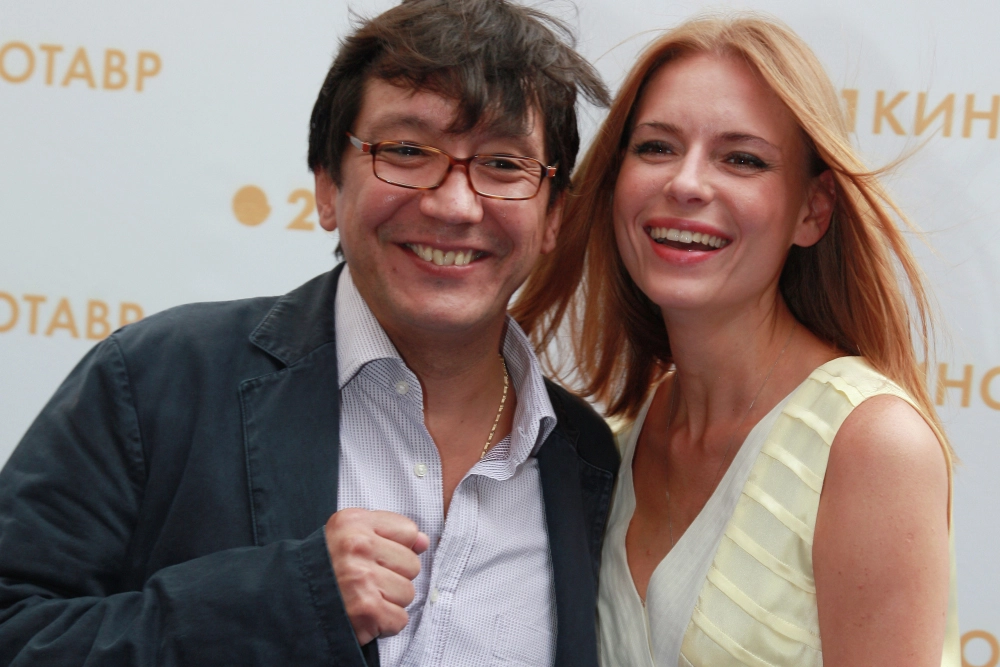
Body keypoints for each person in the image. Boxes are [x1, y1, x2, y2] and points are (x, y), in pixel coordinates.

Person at [0, 1, 617, 665]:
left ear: (555, 216)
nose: (454, 204)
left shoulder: (586, 460)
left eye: (503, 163)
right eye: (407, 151)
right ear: (327, 186)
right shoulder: (158, 379)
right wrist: (279, 602)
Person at [513, 15, 959, 667]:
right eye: (657, 147)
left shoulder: (871, 445)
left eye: (742, 159)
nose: (686, 183)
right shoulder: (613, 446)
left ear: (813, 210)